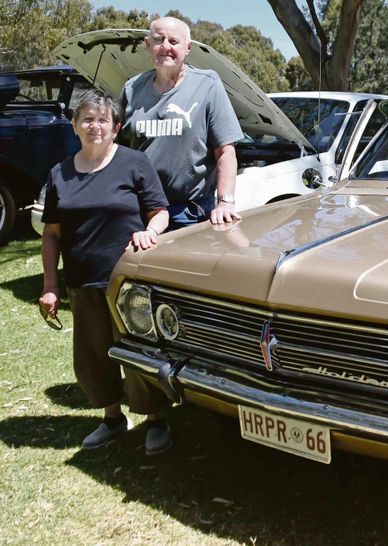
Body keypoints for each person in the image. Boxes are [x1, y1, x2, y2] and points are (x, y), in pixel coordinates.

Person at [38, 89, 171, 454]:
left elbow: (160, 212)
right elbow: (51, 234)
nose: (95, 126)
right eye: (87, 119)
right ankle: (113, 418)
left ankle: (156, 420)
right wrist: (51, 284)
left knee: (138, 352)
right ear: (75, 125)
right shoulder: (60, 173)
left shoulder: (134, 163)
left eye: (102, 120)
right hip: (82, 281)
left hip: (129, 280)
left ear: (116, 127)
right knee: (94, 356)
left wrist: (151, 231)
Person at [119, 16, 243, 230]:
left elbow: (225, 153)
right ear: (148, 45)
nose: (165, 46)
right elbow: (118, 152)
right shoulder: (131, 89)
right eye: (158, 40)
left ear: (188, 47)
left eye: (173, 41)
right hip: (141, 211)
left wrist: (225, 202)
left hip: (191, 213)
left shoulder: (207, 85)